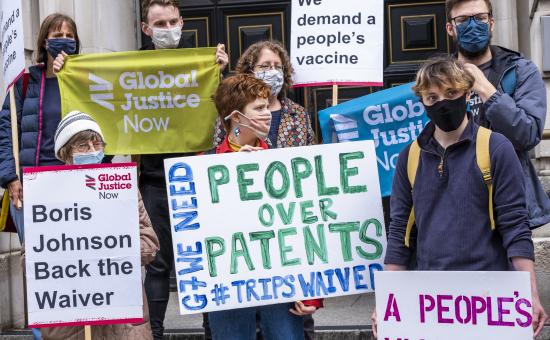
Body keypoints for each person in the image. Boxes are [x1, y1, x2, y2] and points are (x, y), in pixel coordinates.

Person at [371, 55, 548, 338]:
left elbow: (516, 227)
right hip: (431, 302)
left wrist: (530, 292)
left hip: (490, 300)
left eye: (451, 93)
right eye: (432, 97)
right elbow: (400, 234)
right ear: (422, 102)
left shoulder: (496, 147)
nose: (442, 102)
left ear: (467, 93)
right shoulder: (409, 157)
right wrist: (389, 301)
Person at [206, 73, 322, 340]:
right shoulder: (204, 166)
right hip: (229, 292)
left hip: (282, 291)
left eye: (267, 106)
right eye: (259, 108)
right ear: (236, 117)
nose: (268, 114)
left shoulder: (289, 165)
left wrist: (312, 293)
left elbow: (306, 227)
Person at [138, 1, 229, 338]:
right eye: (159, 23)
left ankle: (213, 331)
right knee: (158, 264)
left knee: (204, 263)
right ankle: (153, 334)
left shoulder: (202, 62)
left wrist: (224, 73)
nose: (168, 28)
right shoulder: (130, 68)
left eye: (173, 21)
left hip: (198, 180)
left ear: (182, 22)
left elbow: (230, 112)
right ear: (146, 29)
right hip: (154, 180)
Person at [41, 110, 160, 340]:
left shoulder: (123, 188)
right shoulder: (46, 195)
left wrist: (109, 249)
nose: (94, 152)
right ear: (65, 154)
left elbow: (150, 244)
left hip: (123, 323)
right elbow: (31, 260)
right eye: (83, 146)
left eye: (97, 144)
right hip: (71, 320)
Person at [446, 0, 550, 228]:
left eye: (480, 18)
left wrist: (486, 90)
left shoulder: (521, 70)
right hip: (455, 207)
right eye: (463, 20)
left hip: (508, 204)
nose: (473, 25)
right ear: (450, 28)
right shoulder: (438, 77)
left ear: (491, 23)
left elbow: (528, 134)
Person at [0, 13, 81, 244]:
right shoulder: (25, 83)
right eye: (57, 35)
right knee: (39, 263)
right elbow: (5, 133)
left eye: (69, 36)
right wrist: (10, 178)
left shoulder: (87, 82)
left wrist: (70, 75)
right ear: (45, 42)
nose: (64, 39)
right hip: (32, 185)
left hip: (75, 183)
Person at [214, 40, 315, 149]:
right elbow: (222, 150)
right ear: (250, 71)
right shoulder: (235, 112)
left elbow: (311, 151)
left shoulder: (299, 113)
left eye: (278, 66)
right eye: (265, 66)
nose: (273, 71)